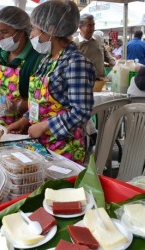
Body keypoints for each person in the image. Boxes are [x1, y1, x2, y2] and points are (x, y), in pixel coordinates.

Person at [7, 0, 96, 165]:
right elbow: (40, 101)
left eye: (34, 28)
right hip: (40, 145)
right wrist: (25, 120)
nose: (31, 35)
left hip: (64, 149)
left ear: (52, 29)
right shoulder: (46, 60)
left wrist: (44, 126)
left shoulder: (76, 63)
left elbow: (81, 112)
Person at [0, 6, 43, 127]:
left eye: (5, 32)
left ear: (21, 31)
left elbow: (42, 101)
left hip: (23, 128)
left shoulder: (36, 58)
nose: (0, 37)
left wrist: (17, 106)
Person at [73, 14, 115, 79]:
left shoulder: (98, 38)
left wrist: (111, 60)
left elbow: (104, 51)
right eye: (89, 25)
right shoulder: (75, 44)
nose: (92, 28)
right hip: (86, 82)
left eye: (93, 25)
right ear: (80, 27)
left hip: (101, 79)